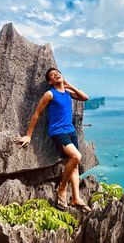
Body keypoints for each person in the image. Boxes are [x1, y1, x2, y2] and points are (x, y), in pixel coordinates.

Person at [15, 67, 91, 212]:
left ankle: (75, 198)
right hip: (58, 132)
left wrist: (69, 85)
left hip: (71, 132)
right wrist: (28, 135)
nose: (56, 75)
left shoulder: (68, 93)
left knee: (74, 164)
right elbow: (37, 114)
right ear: (50, 81)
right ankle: (62, 189)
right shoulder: (50, 94)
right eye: (52, 75)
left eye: (58, 73)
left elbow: (85, 98)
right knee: (76, 157)